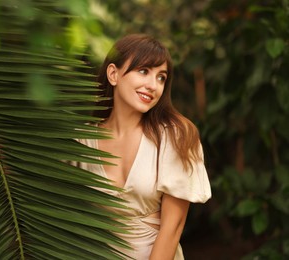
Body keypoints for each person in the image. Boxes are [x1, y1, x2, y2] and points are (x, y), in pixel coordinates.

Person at [74, 34, 211, 260]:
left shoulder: (175, 136)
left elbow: (172, 227)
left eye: (161, 77)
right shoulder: (82, 140)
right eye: (144, 71)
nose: (153, 86)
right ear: (113, 74)